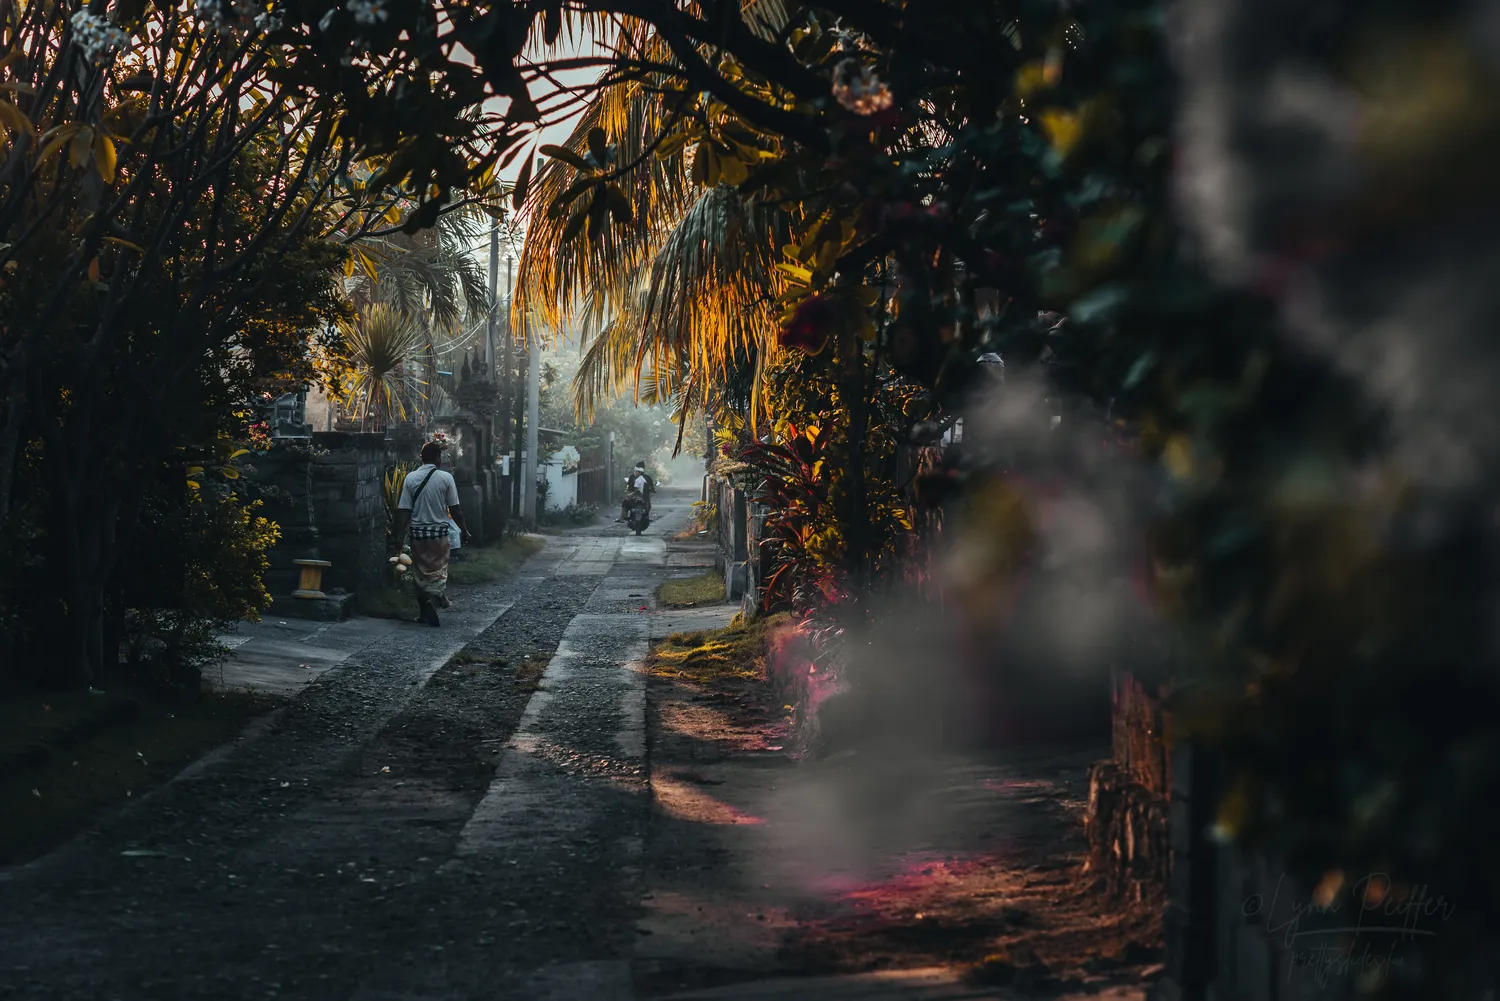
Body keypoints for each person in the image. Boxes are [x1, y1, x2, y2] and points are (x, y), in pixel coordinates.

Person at [392, 441, 471, 626]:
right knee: (439, 571)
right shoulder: (446, 478)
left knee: (420, 573)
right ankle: (433, 601)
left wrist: (397, 536)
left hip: (418, 534)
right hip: (439, 535)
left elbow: (403, 510)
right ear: (438, 458)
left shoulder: (410, 478)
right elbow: (456, 509)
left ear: (421, 458)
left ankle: (423, 614)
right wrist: (464, 530)